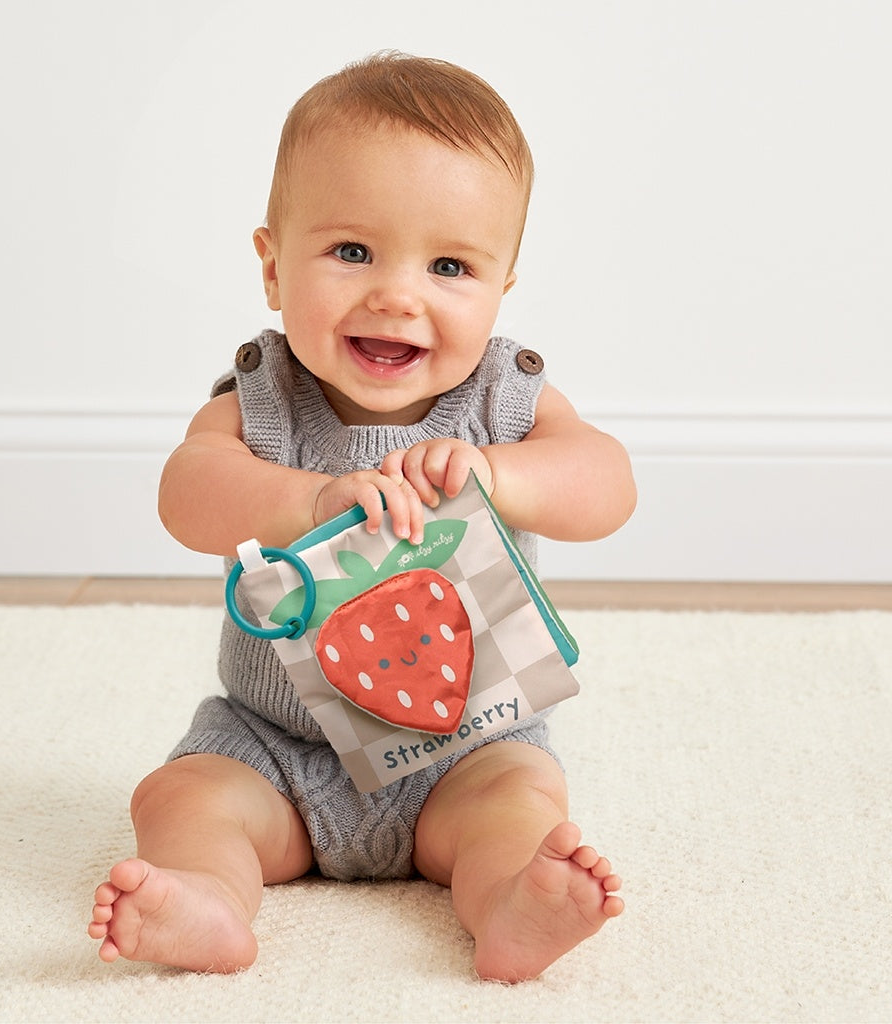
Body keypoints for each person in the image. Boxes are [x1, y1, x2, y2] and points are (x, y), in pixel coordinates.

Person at [88, 51, 636, 983]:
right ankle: (211, 900)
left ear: (502, 287)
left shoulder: (502, 401)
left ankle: (510, 902)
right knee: (180, 795)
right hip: (272, 747)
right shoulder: (264, 403)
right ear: (272, 266)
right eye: (352, 252)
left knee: (521, 802)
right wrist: (306, 499)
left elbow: (607, 485)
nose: (397, 293)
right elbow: (187, 489)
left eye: (451, 265)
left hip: (468, 747)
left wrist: (500, 476)